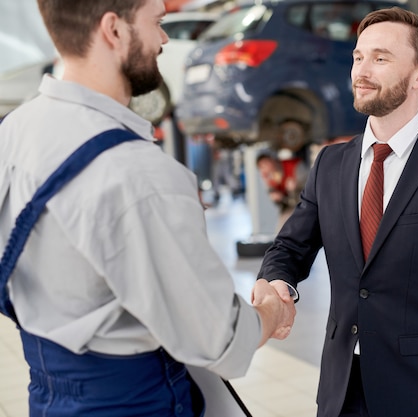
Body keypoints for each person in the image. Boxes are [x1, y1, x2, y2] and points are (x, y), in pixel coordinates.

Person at [0, 1, 295, 416]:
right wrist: (272, 310)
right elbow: (220, 341)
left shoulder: (14, 131)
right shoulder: (140, 174)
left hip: (49, 399)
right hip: (135, 403)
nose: (164, 39)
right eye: (156, 23)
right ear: (114, 31)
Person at [255, 7, 418, 417]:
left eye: (381, 58)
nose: (362, 70)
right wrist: (279, 281)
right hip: (339, 392)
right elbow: (289, 247)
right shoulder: (331, 164)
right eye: (358, 57)